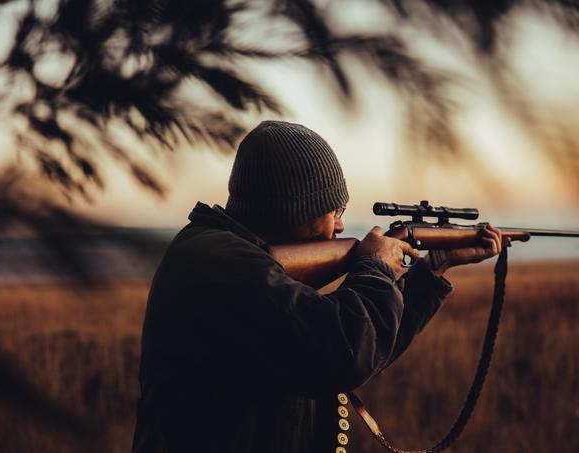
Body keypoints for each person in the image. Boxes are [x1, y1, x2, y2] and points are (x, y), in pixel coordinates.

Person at [132, 120, 504, 453]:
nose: (339, 227)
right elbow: (345, 351)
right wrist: (374, 268)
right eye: (335, 211)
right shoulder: (219, 263)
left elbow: (364, 343)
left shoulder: (233, 259)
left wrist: (432, 270)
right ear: (298, 209)